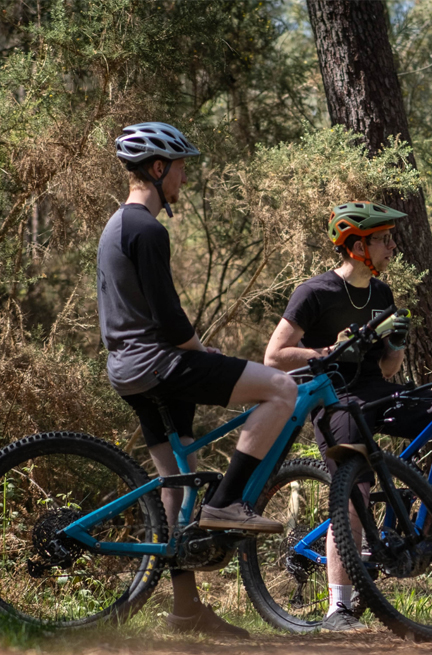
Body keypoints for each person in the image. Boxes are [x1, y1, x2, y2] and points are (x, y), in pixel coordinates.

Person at [98, 122, 299, 638]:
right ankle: (228, 502)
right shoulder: (147, 229)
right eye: (180, 167)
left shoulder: (116, 225)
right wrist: (198, 349)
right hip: (158, 363)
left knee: (176, 483)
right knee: (281, 388)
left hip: (127, 370)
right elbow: (168, 318)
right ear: (158, 167)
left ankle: (185, 610)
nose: (184, 178)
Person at [264, 201, 432, 632]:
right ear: (356, 246)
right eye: (384, 239)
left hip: (379, 393)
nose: (393, 246)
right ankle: (339, 609)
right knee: (354, 490)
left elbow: (387, 370)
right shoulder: (315, 293)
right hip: (336, 400)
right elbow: (274, 356)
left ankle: (431, 515)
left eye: (390, 238)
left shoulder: (382, 294)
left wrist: (397, 345)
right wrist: (330, 351)